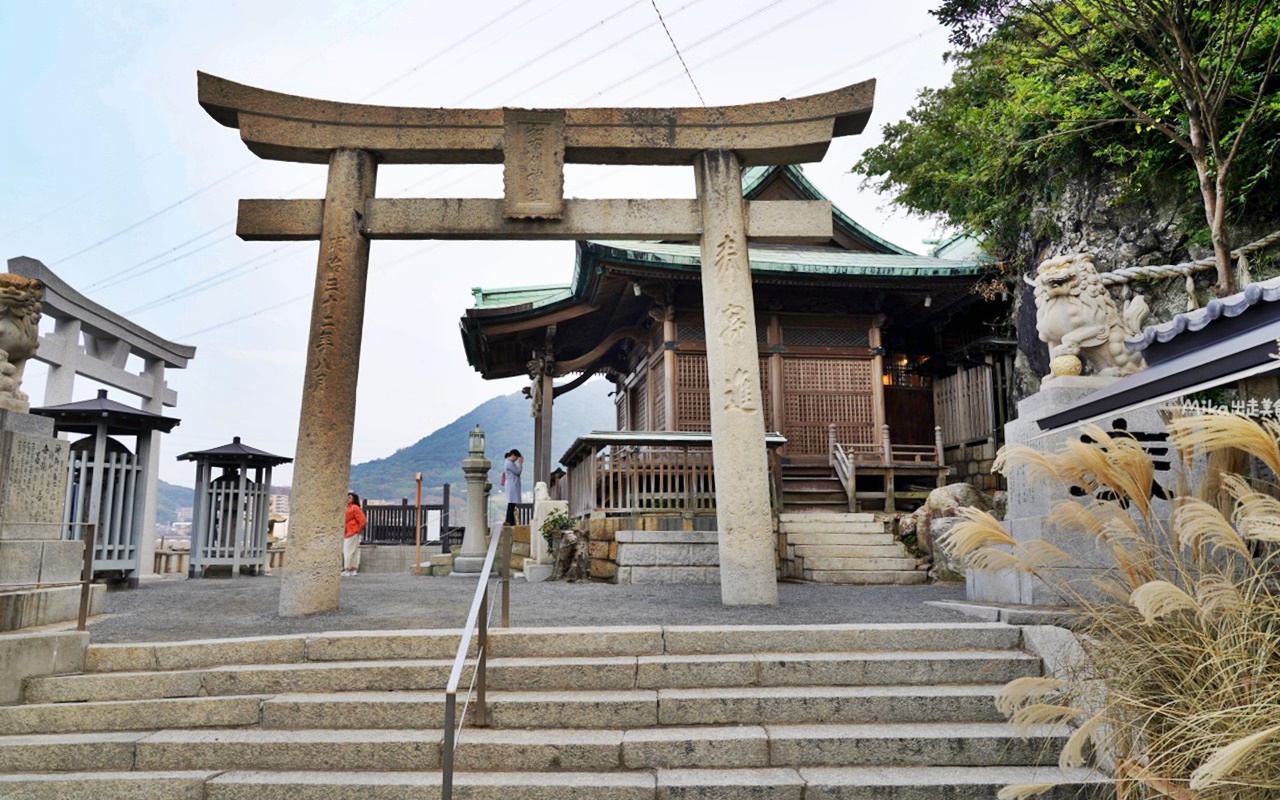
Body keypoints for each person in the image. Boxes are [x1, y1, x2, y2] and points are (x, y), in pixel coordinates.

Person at [342, 491, 366, 576]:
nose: (347, 499)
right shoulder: (348, 507)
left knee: (347, 550)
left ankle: (347, 569)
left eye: (350, 497)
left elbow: (362, 520)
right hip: (351, 530)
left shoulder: (354, 507)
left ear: (354, 499)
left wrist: (358, 529)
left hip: (352, 530)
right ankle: (353, 569)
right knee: (354, 551)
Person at [499, 449, 523, 526]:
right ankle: (509, 521)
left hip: (512, 486)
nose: (516, 460)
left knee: (511, 505)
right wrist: (520, 464)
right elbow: (518, 472)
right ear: (513, 455)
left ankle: (510, 521)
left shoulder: (509, 463)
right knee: (511, 504)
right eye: (516, 458)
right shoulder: (509, 463)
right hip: (512, 486)